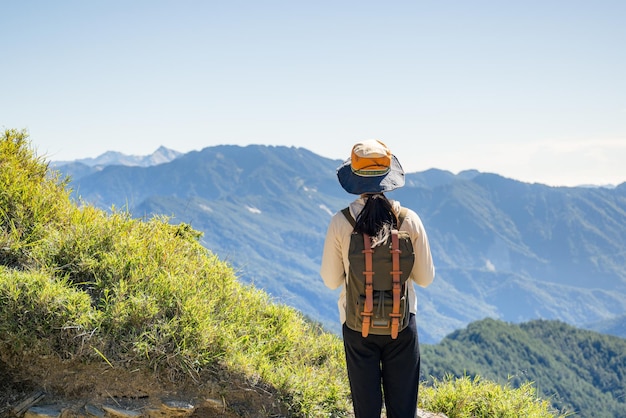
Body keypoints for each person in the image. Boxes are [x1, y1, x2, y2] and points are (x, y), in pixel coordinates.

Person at [320, 139, 435, 418]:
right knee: (403, 409)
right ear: (390, 178)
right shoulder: (409, 219)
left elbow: (331, 280)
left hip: (358, 325)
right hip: (402, 323)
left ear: (354, 180)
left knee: (366, 410)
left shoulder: (341, 222)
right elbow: (425, 278)